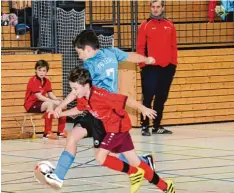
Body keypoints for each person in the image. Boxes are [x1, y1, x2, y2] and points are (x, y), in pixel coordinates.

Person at [41, 29, 157, 185]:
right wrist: (147, 60)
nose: (79, 56)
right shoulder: (111, 52)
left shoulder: (89, 65)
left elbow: (76, 92)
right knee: (73, 136)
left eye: (79, 52)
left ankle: (143, 162)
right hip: (93, 109)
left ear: (88, 49)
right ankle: (58, 176)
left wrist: (60, 107)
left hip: (104, 112)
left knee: (107, 156)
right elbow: (131, 56)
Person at [45, 67, 175, 193]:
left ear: (85, 85)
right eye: (72, 88)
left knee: (100, 157)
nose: (73, 92)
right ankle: (166, 186)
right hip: (117, 128)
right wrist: (61, 113)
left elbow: (126, 100)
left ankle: (133, 173)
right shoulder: (83, 98)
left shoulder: (101, 95)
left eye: (75, 88)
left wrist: (143, 109)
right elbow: (79, 109)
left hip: (117, 128)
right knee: (135, 161)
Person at [137, 0, 177, 136]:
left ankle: (157, 126)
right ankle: (145, 126)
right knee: (147, 97)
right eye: (153, 7)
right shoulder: (145, 25)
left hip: (167, 68)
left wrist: (173, 65)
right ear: (150, 8)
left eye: (158, 7)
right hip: (150, 68)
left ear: (163, 7)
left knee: (161, 97)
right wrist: (143, 64)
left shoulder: (170, 25)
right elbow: (140, 47)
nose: (155, 9)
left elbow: (173, 47)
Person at [24, 60, 67, 139]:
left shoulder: (47, 81)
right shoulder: (33, 80)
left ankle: (61, 131)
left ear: (46, 72)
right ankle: (47, 132)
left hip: (41, 104)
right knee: (49, 104)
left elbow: (50, 94)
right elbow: (39, 97)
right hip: (31, 105)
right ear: (35, 70)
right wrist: (53, 102)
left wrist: (58, 99)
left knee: (63, 105)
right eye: (39, 70)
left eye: (44, 70)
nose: (41, 72)